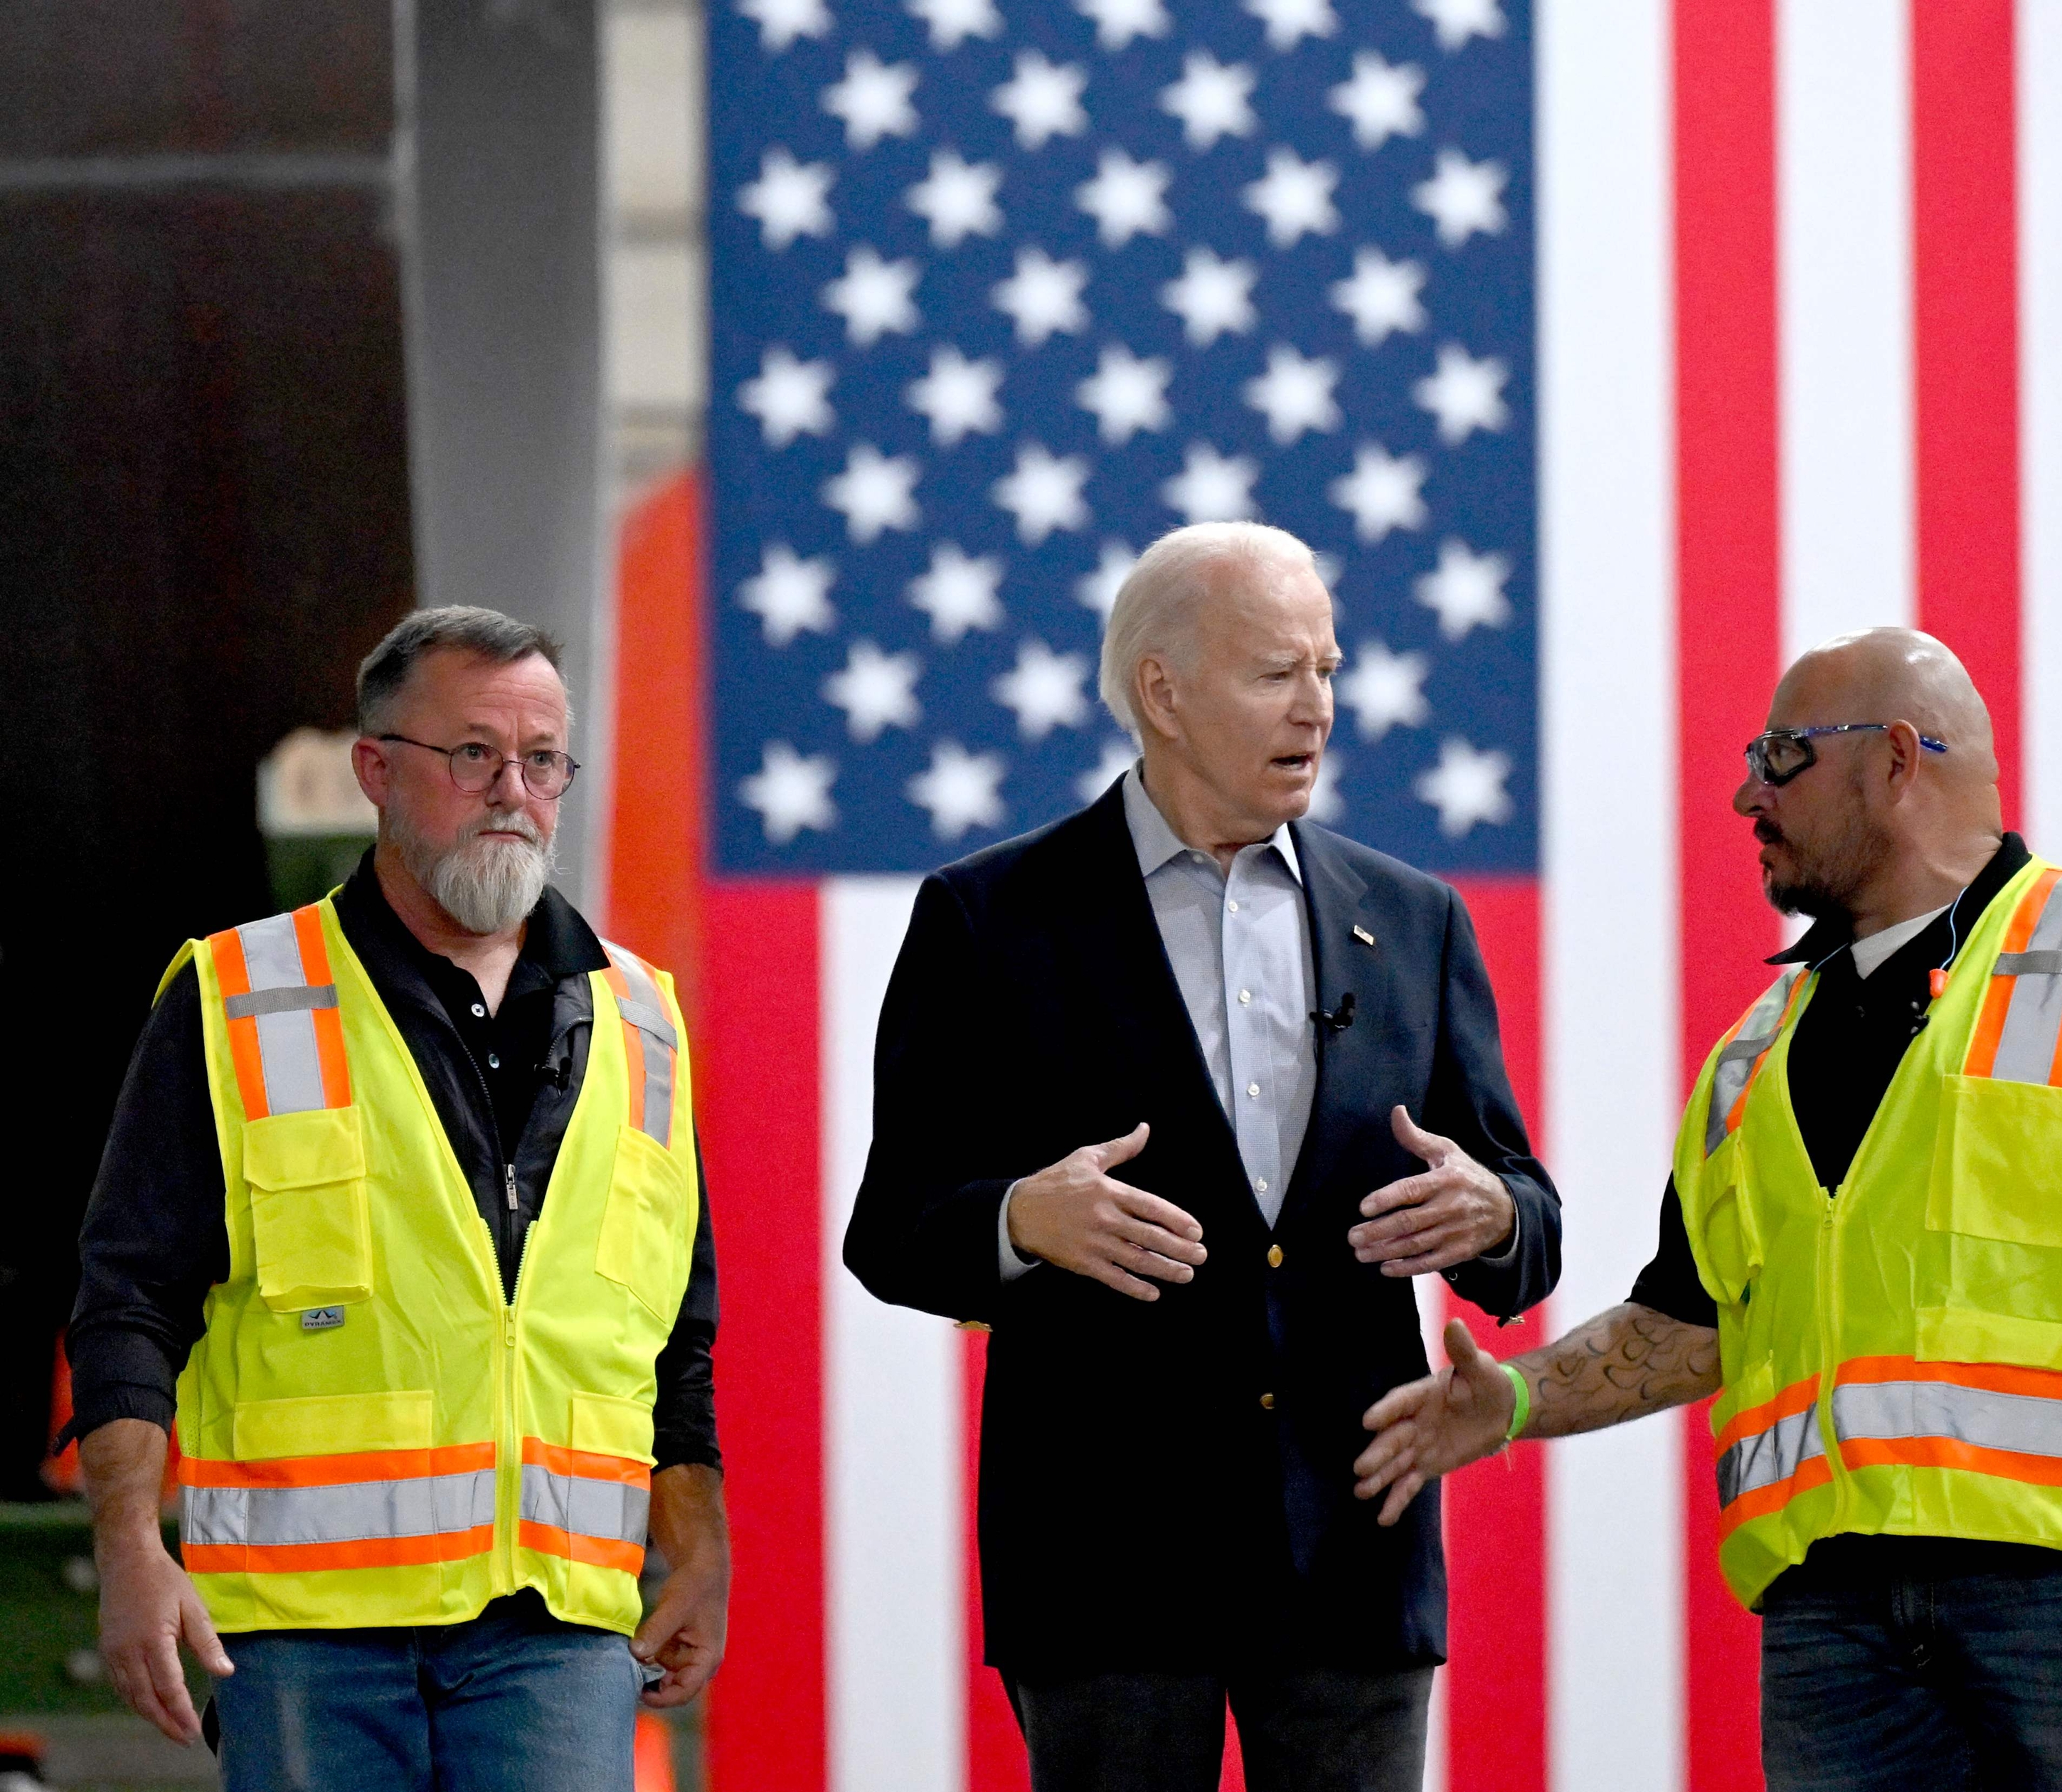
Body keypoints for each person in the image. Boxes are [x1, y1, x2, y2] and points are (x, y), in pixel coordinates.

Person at [1356, 627, 2062, 1792]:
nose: (1746, 794)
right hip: (1836, 1624)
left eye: (1781, 758)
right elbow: (1693, 1322)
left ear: (1896, 760)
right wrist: (1513, 1400)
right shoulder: (1751, 1061)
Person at [845, 520, 1561, 1792]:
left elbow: (1529, 1219)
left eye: (1330, 671)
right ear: (1163, 692)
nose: (1321, 709)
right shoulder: (990, 918)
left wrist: (1491, 1218)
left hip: (1355, 1539)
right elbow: (893, 1225)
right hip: (1106, 1563)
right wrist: (1020, 1219)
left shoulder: (1413, 917)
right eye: (1279, 673)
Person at [66, 607, 728, 1792]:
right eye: (472, 754)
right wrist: (127, 1544)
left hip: (561, 1627)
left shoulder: (644, 1021)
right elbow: (130, 1303)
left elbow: (676, 1336)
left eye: (543, 760)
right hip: (302, 1631)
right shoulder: (236, 996)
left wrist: (701, 1547)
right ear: (377, 769)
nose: (513, 791)